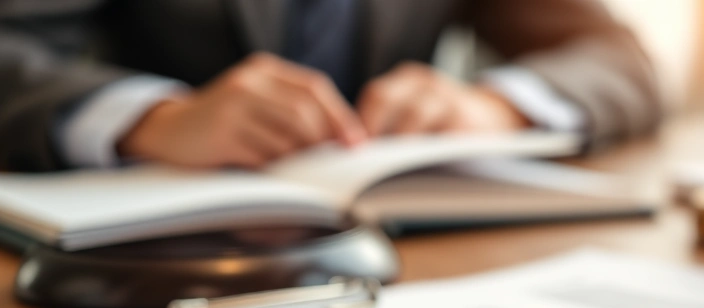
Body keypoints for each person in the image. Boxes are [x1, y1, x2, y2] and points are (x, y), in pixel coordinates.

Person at [0, 0, 660, 172]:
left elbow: (620, 58)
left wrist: (492, 106)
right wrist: (160, 117)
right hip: (162, 259)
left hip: (412, 246)